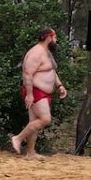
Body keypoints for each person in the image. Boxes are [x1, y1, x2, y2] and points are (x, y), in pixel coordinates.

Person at [10, 29, 67, 158]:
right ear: (48, 38)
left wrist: (59, 85)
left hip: (44, 92)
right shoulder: (36, 53)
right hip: (35, 90)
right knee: (45, 119)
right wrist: (29, 94)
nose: (56, 41)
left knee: (34, 121)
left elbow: (51, 71)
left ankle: (30, 153)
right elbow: (27, 74)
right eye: (55, 38)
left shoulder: (47, 52)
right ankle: (18, 138)